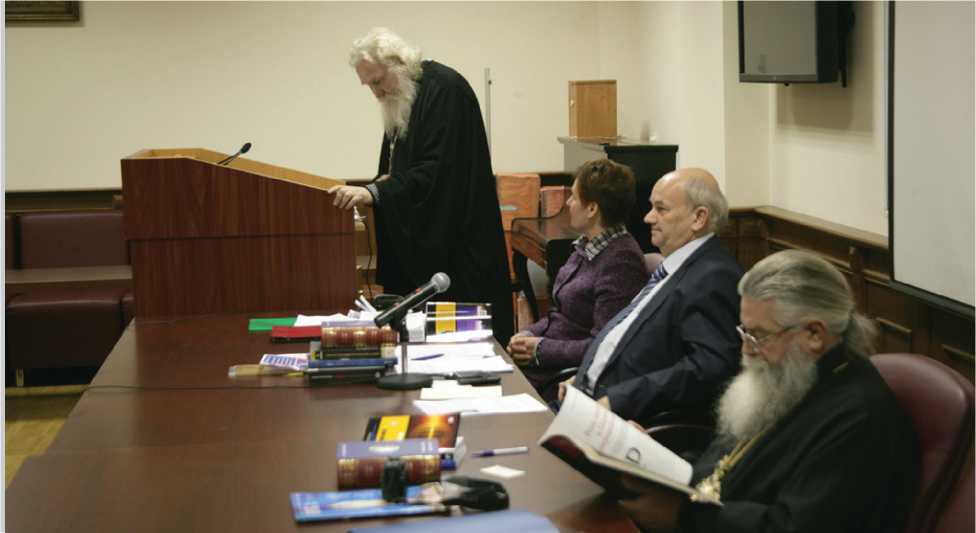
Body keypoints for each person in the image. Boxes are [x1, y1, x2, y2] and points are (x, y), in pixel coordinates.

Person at [618, 249, 919, 533]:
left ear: (814, 334)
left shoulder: (859, 419)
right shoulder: (792, 378)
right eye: (744, 332)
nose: (746, 350)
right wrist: (656, 463)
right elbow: (728, 465)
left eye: (758, 336)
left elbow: (793, 526)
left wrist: (683, 515)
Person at [328, 28, 513, 345]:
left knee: (462, 350)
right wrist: (383, 185)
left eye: (377, 81)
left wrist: (375, 192)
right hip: (427, 251)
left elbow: (439, 172)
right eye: (369, 85)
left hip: (458, 251)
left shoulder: (445, 90)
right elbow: (399, 169)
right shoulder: (405, 98)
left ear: (399, 62)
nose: (376, 93)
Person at [558, 168, 743, 425]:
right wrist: (584, 377)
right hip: (586, 398)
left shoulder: (713, 276)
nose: (647, 218)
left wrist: (617, 400)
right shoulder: (676, 266)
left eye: (661, 209)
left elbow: (708, 368)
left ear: (699, 218)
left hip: (622, 420)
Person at [507, 159, 648, 403]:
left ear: (592, 209)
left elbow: (603, 346)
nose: (568, 203)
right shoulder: (586, 245)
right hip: (544, 365)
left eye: (573, 197)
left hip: (563, 379)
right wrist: (527, 334)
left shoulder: (622, 261)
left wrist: (539, 349)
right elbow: (559, 314)